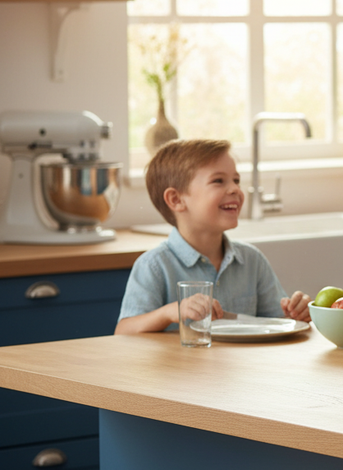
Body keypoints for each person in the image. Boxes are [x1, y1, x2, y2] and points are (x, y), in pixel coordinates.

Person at [115, 139, 311, 334]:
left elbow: (275, 323)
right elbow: (123, 333)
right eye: (218, 181)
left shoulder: (252, 260)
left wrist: (295, 316)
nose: (235, 189)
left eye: (236, 180)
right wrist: (169, 312)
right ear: (176, 200)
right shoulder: (154, 266)